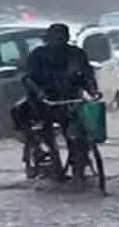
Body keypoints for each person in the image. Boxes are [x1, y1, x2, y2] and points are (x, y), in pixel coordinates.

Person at [13, 23, 100, 178]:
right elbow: (28, 78)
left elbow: (87, 75)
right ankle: (39, 148)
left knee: (79, 131)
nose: (58, 43)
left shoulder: (77, 54)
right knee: (20, 114)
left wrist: (93, 92)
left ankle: (80, 158)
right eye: (55, 39)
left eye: (61, 39)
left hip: (71, 100)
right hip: (44, 101)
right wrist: (39, 93)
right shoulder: (37, 55)